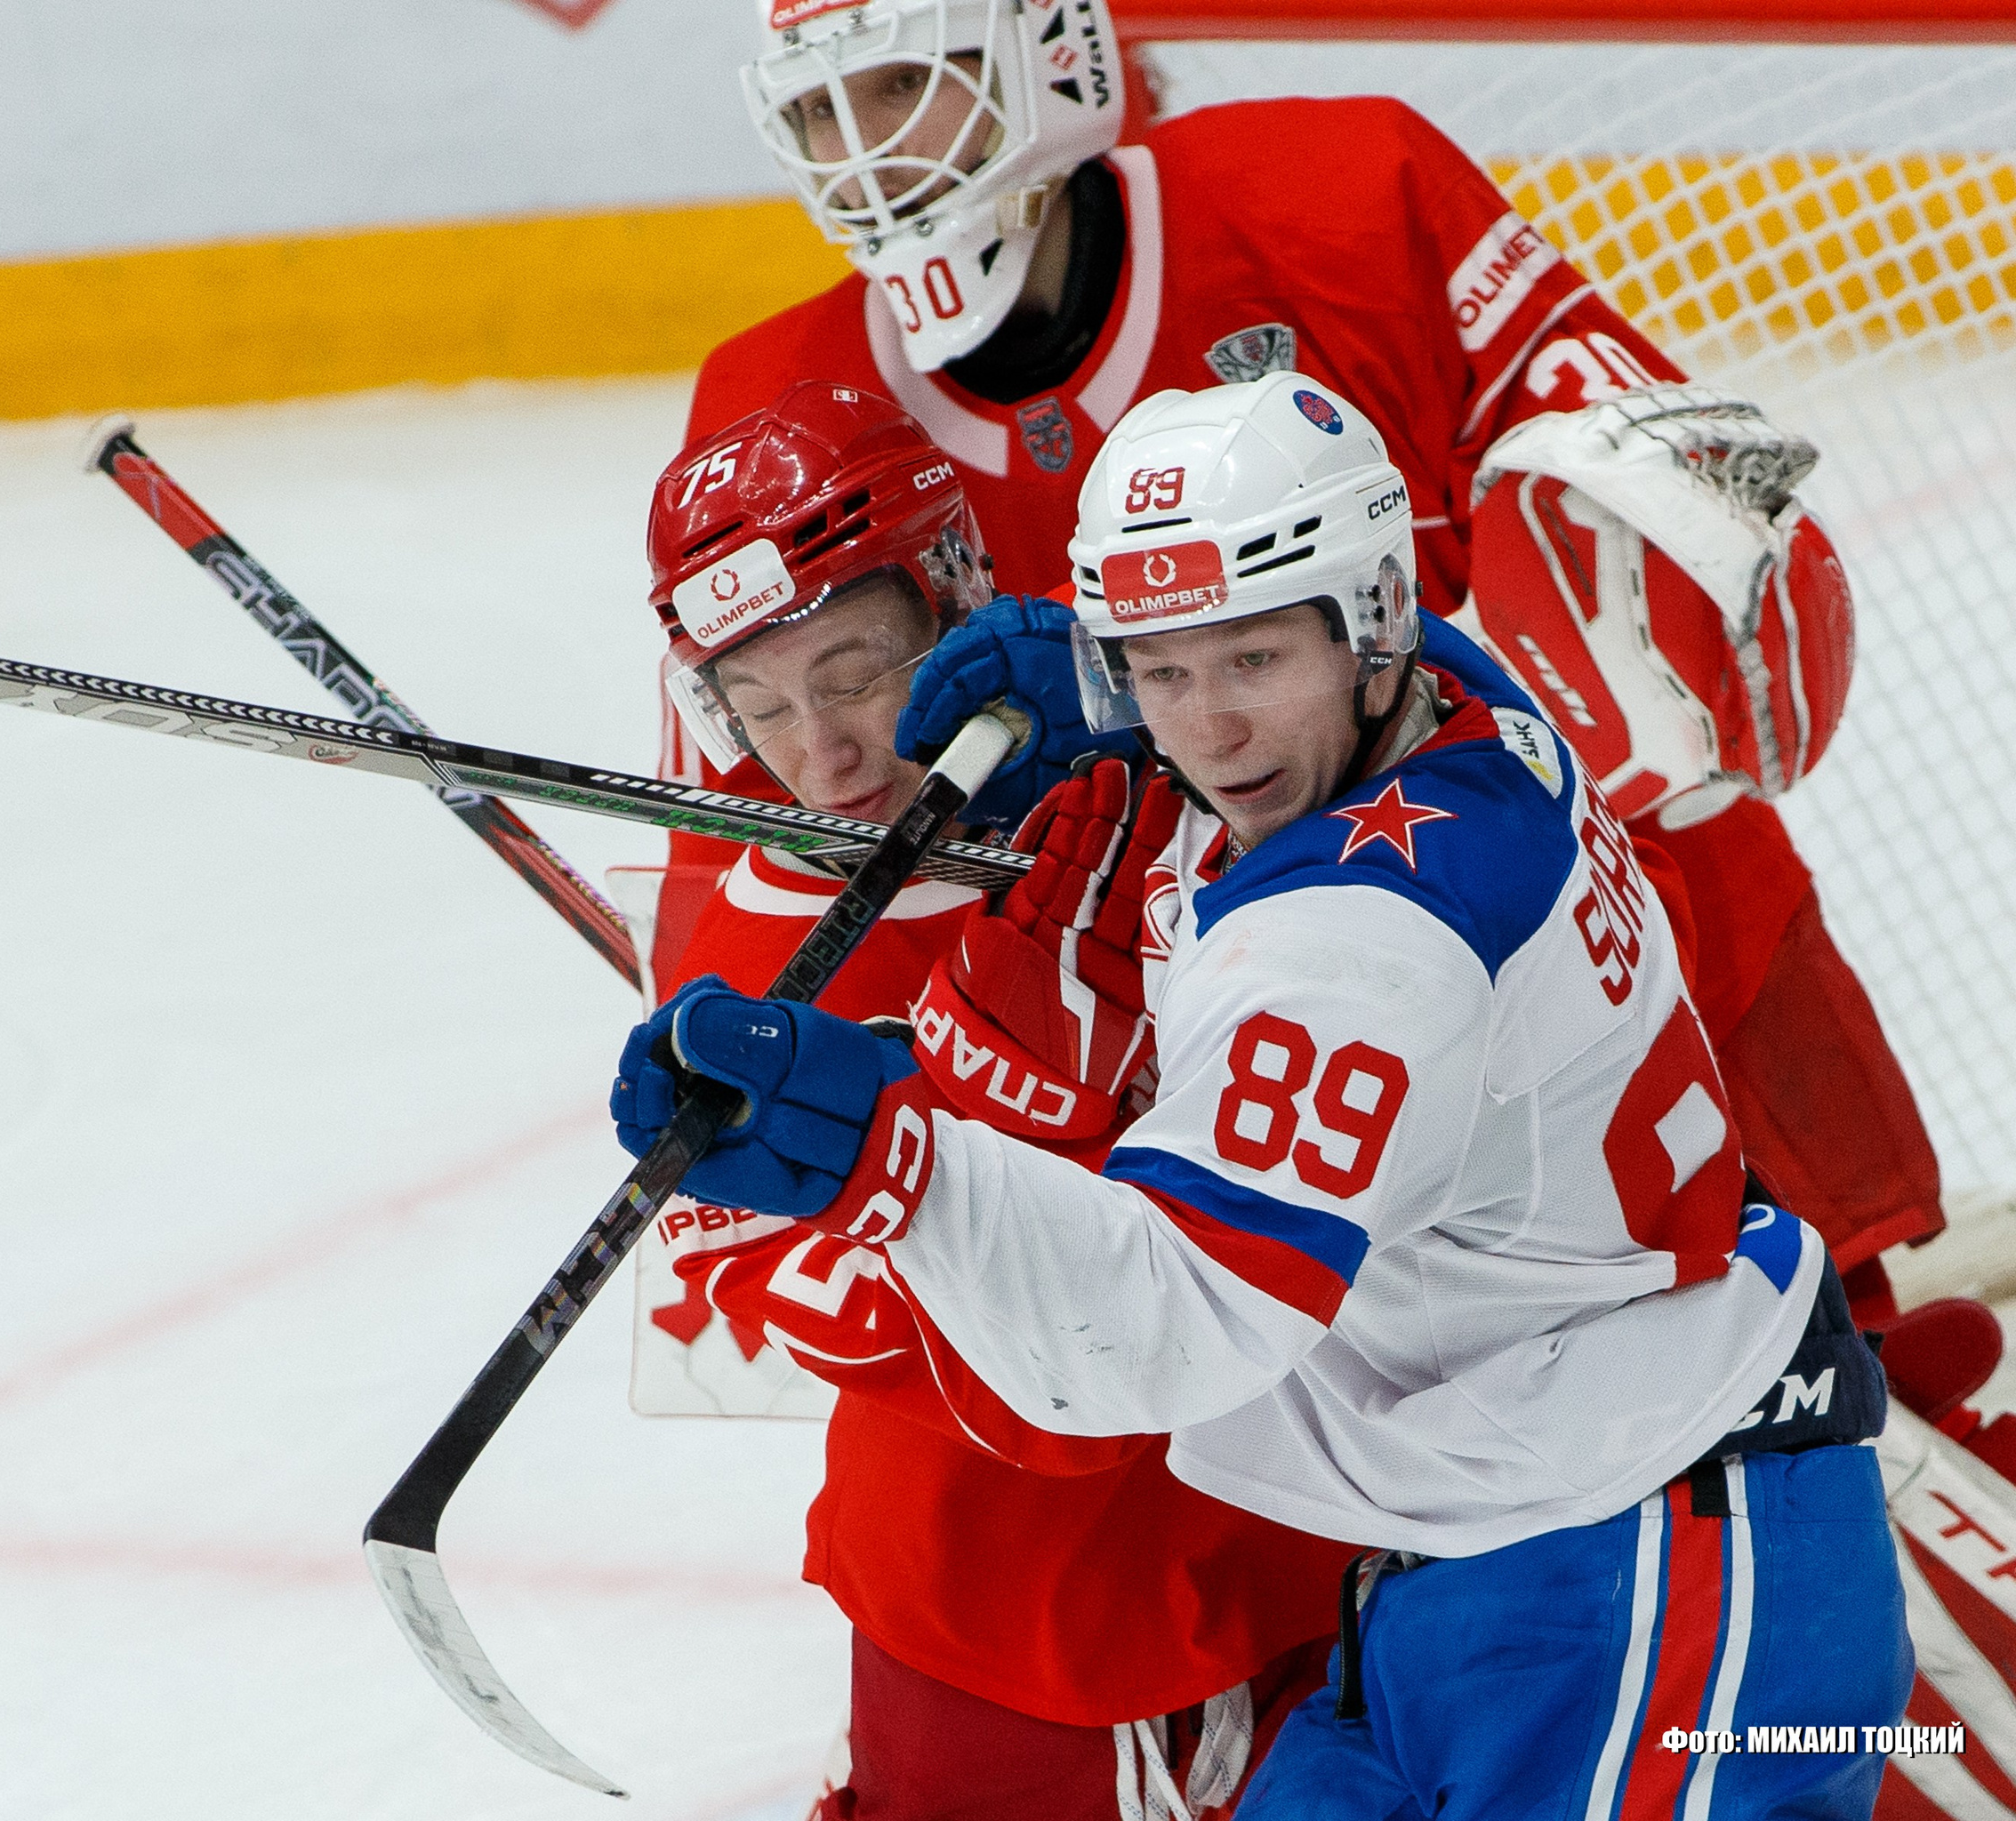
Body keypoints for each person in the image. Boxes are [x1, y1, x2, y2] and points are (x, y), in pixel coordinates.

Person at [616, 375, 1914, 1819]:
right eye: (1162, 673)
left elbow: (1154, 1337)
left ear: (1369, 623)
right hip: (1441, 1548)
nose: (1213, 736)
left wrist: (895, 1148)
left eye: (1251, 661)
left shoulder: (1344, 940)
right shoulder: (1473, 712)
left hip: (1626, 1542)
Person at [647, 0, 1942, 1322]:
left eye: (899, 85)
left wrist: (1121, 696)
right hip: (1206, 1063)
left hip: (1549, 919)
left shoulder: (1348, 200)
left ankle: (1839, 1296)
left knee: (1661, 815)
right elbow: (735, 853)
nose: (862, 151)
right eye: (818, 109)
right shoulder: (778, 423)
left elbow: (1670, 607)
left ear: (1051, 50)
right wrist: (730, 1073)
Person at [638, 378, 1353, 1820]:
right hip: (991, 1602)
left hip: (1296, 1520)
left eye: (852, 674)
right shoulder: (745, 954)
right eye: (758, 706)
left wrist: (1134, 731)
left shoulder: (1167, 755)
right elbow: (789, 1286)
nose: (820, 755)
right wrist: (959, 1137)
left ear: (959, 591)